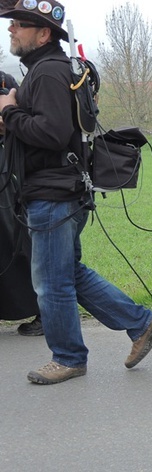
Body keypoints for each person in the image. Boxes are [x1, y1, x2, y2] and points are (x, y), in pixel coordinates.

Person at [0, 0, 152, 384]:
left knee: (51, 281)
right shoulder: (49, 69)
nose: (11, 29)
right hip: (61, 191)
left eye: (19, 24)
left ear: (42, 34)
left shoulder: (49, 72)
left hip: (54, 193)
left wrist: (9, 111)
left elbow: (52, 134)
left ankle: (69, 357)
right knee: (68, 272)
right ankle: (140, 323)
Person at [0, 69, 43, 336]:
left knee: (14, 236)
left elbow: (24, 117)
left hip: (5, 169)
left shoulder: (7, 81)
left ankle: (43, 310)